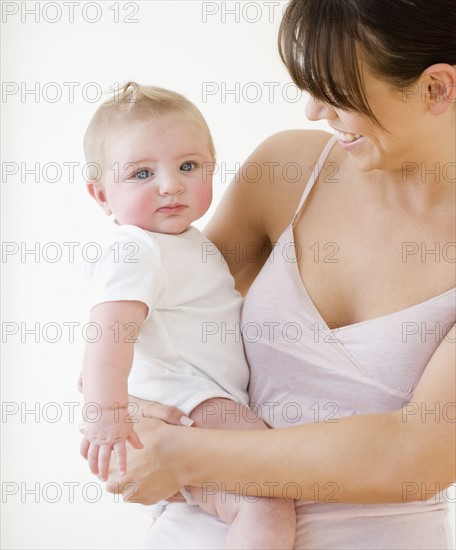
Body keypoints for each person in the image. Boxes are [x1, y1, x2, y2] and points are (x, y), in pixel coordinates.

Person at [104, 1, 456, 549]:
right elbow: (170, 316)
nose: (314, 111)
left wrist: (178, 452)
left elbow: (417, 455)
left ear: (436, 88)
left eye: (336, 92)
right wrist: (123, 405)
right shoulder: (288, 172)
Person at [79, 82, 296, 549]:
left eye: (189, 166)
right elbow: (107, 336)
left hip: (204, 399)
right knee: (268, 497)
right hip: (192, 401)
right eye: (141, 173)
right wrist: (107, 416)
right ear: (101, 196)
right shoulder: (136, 249)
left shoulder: (188, 241)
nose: (170, 184)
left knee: (240, 503)